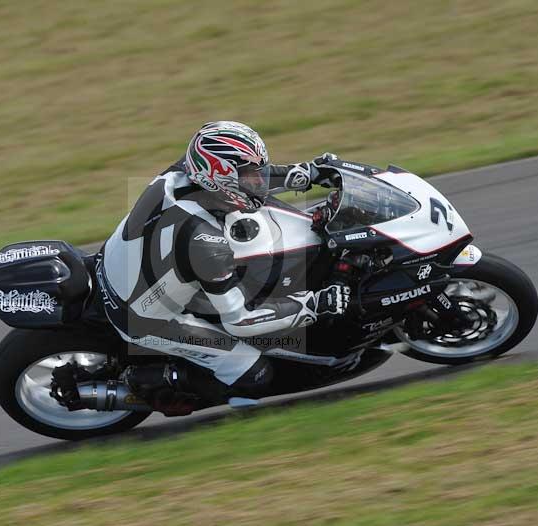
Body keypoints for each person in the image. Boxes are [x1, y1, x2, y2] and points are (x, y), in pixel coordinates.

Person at [96, 121, 351, 412]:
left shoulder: (185, 171)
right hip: (142, 316)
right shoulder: (205, 242)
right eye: (250, 174)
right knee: (254, 372)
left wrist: (309, 174)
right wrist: (312, 304)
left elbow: (246, 185)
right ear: (219, 178)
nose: (259, 180)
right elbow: (240, 320)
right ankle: (149, 387)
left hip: (120, 262)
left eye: (258, 171)